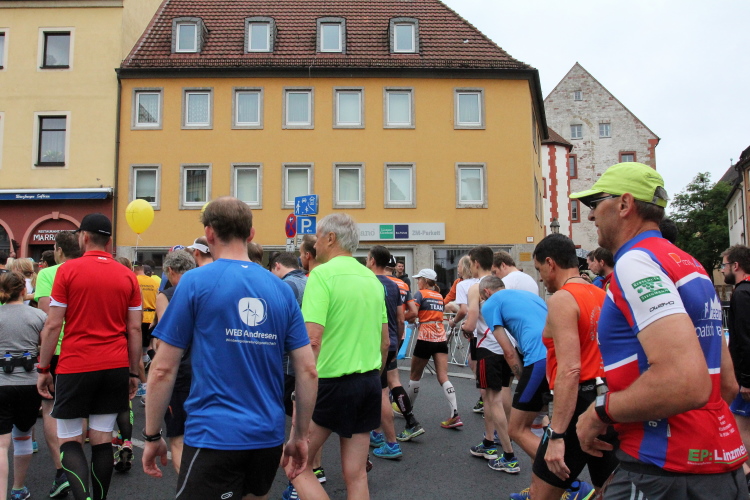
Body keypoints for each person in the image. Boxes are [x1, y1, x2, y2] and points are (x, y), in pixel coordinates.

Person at [572, 162, 748, 499]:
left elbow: (684, 380)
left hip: (662, 468)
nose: (591, 215)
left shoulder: (636, 262)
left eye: (595, 203)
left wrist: (599, 412)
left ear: (624, 204)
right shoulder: (690, 264)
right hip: (718, 465)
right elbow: (726, 383)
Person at [142, 197, 319, 500]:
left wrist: (152, 434)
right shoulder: (280, 289)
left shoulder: (194, 282)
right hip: (267, 436)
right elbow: (307, 370)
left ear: (209, 234)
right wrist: (300, 436)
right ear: (251, 234)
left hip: (214, 436)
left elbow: (162, 369)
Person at [37, 213, 142, 500]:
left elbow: (53, 324)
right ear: (109, 240)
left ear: (83, 237)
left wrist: (43, 368)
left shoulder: (67, 271)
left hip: (75, 364)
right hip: (114, 365)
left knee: (70, 439)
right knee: (102, 439)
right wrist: (133, 372)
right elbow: (134, 329)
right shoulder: (127, 275)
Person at [511, 233, 615, 500]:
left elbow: (570, 370)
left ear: (550, 263)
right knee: (608, 491)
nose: (541, 278)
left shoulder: (562, 299)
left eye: (539, 270)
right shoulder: (601, 295)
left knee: (540, 494)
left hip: (576, 403)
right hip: (605, 401)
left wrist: (557, 434)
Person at [292, 213, 388, 500]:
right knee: (356, 474)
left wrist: (301, 391)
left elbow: (312, 342)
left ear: (331, 238)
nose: (314, 244)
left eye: (318, 237)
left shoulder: (321, 275)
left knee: (296, 465)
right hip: (369, 381)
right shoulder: (372, 280)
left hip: (331, 383)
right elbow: (385, 342)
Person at [478, 275, 549, 461]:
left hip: (538, 358)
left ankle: (556, 474)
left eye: (482, 298)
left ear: (486, 292)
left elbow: (508, 351)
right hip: (559, 355)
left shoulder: (490, 303)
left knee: (516, 429)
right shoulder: (530, 296)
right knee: (539, 417)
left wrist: (523, 378)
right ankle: (541, 478)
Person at [33, 230, 81, 498]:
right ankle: (77, 469)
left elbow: (45, 315)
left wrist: (42, 361)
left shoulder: (48, 273)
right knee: (77, 411)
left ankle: (61, 470)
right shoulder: (86, 270)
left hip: (55, 349)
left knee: (50, 408)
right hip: (81, 349)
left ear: (59, 250)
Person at [462, 247, 518, 473]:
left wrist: (464, 328)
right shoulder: (501, 284)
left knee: (492, 400)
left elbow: (471, 321)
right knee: (496, 395)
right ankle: (489, 441)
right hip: (507, 346)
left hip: (488, 348)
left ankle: (509, 455)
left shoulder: (475, 287)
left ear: (475, 263)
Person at [0, 271, 47, 500]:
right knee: (23, 436)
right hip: (29, 381)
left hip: (1, 382)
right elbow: (46, 347)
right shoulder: (39, 315)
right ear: (23, 290)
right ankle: (18, 489)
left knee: (1, 445)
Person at [151, 249, 196, 474]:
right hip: (205, 369)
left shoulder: (167, 295)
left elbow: (166, 337)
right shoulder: (204, 290)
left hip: (179, 370)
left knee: (178, 438)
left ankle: (188, 488)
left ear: (169, 270)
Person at [366, 246, 409, 460]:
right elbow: (401, 319)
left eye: (367, 258)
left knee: (381, 392)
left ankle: (391, 443)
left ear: (372, 260)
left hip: (374, 344)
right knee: (379, 389)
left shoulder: (367, 283)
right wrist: (398, 341)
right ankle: (376, 432)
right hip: (391, 342)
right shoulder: (394, 285)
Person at [407, 268, 463, 429]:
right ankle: (454, 414)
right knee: (443, 376)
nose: (418, 282)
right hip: (440, 338)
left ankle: (407, 411)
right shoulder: (439, 296)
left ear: (425, 281)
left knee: (415, 376)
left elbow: (413, 313)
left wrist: (401, 318)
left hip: (425, 337)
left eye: (419, 279)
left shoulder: (420, 294)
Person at [721, 245, 750, 488]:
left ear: (736, 266)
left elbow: (744, 338)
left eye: (724, 265)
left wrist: (746, 380)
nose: (722, 270)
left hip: (745, 377)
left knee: (740, 429)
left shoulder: (742, 294)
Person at [134, 262, 158, 397]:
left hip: (140, 317)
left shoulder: (135, 280)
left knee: (138, 351)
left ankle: (142, 383)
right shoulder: (154, 281)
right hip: (153, 317)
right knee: (146, 348)